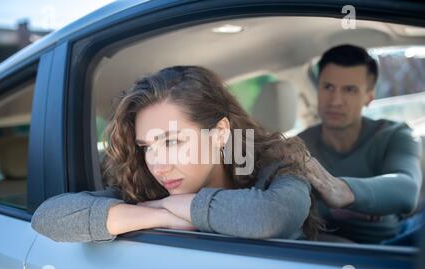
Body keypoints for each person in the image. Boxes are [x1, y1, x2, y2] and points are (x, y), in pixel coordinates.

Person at [32, 65, 321, 243]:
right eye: (147, 147)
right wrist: (162, 216)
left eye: (171, 142)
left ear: (220, 133)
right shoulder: (147, 188)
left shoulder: (278, 169)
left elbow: (268, 217)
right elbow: (48, 217)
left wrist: (182, 206)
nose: (158, 165)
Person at [298, 44, 422, 244]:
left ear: (369, 97)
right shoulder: (297, 147)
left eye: (349, 90)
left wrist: (343, 191)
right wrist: (343, 209)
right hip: (330, 248)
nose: (336, 100)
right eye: (328, 87)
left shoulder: (395, 134)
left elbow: (407, 188)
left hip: (396, 241)